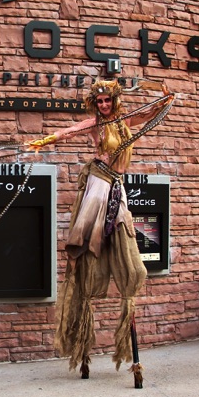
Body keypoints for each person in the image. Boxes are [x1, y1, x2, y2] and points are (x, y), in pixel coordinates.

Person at [29, 78, 174, 381]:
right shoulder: (95, 123)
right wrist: (43, 141)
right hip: (98, 182)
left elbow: (150, 114)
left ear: (115, 100)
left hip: (117, 188)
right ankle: (82, 344)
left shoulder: (125, 120)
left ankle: (129, 347)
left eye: (108, 100)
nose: (104, 105)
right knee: (87, 243)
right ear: (95, 104)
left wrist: (165, 98)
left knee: (126, 243)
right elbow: (70, 132)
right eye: (100, 102)